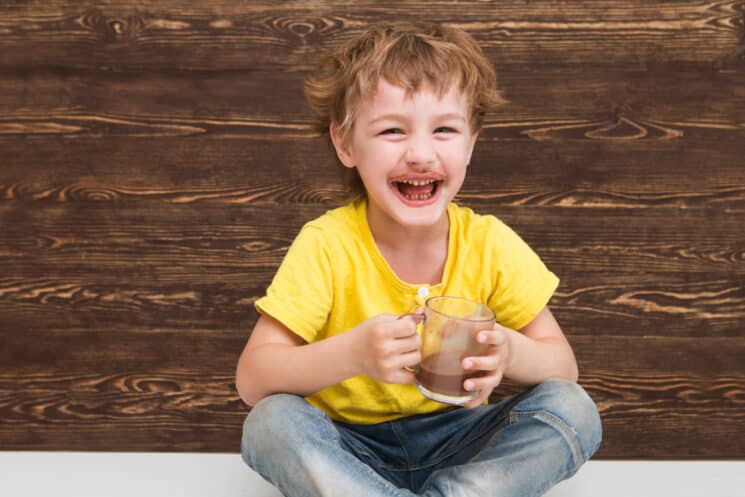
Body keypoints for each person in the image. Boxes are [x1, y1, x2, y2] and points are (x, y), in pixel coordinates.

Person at [236, 21, 602, 497]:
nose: (422, 154)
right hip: (348, 447)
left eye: (445, 129)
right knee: (270, 423)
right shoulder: (326, 244)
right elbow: (253, 378)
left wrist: (510, 352)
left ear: (471, 142)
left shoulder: (490, 243)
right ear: (345, 144)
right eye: (392, 130)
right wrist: (353, 354)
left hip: (462, 441)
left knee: (573, 409)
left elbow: (563, 367)